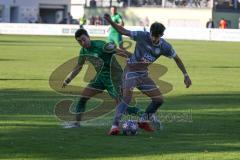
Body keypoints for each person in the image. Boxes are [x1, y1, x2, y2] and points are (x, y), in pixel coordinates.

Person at [104, 14, 192, 135]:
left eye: (157, 37)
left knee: (159, 100)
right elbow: (122, 30)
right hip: (130, 71)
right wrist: (110, 22)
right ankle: (114, 126)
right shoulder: (141, 35)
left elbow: (177, 58)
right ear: (149, 32)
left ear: (161, 35)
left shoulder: (165, 47)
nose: (154, 39)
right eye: (152, 35)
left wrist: (186, 75)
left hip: (143, 74)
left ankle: (143, 120)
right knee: (127, 98)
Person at [62, 28, 144, 128]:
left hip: (114, 77)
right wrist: (68, 79)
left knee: (122, 106)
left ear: (88, 37)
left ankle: (145, 115)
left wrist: (134, 58)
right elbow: (78, 67)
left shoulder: (101, 45)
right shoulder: (83, 51)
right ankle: (77, 123)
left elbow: (118, 51)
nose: (82, 43)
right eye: (79, 41)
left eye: (84, 39)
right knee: (83, 98)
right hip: (100, 78)